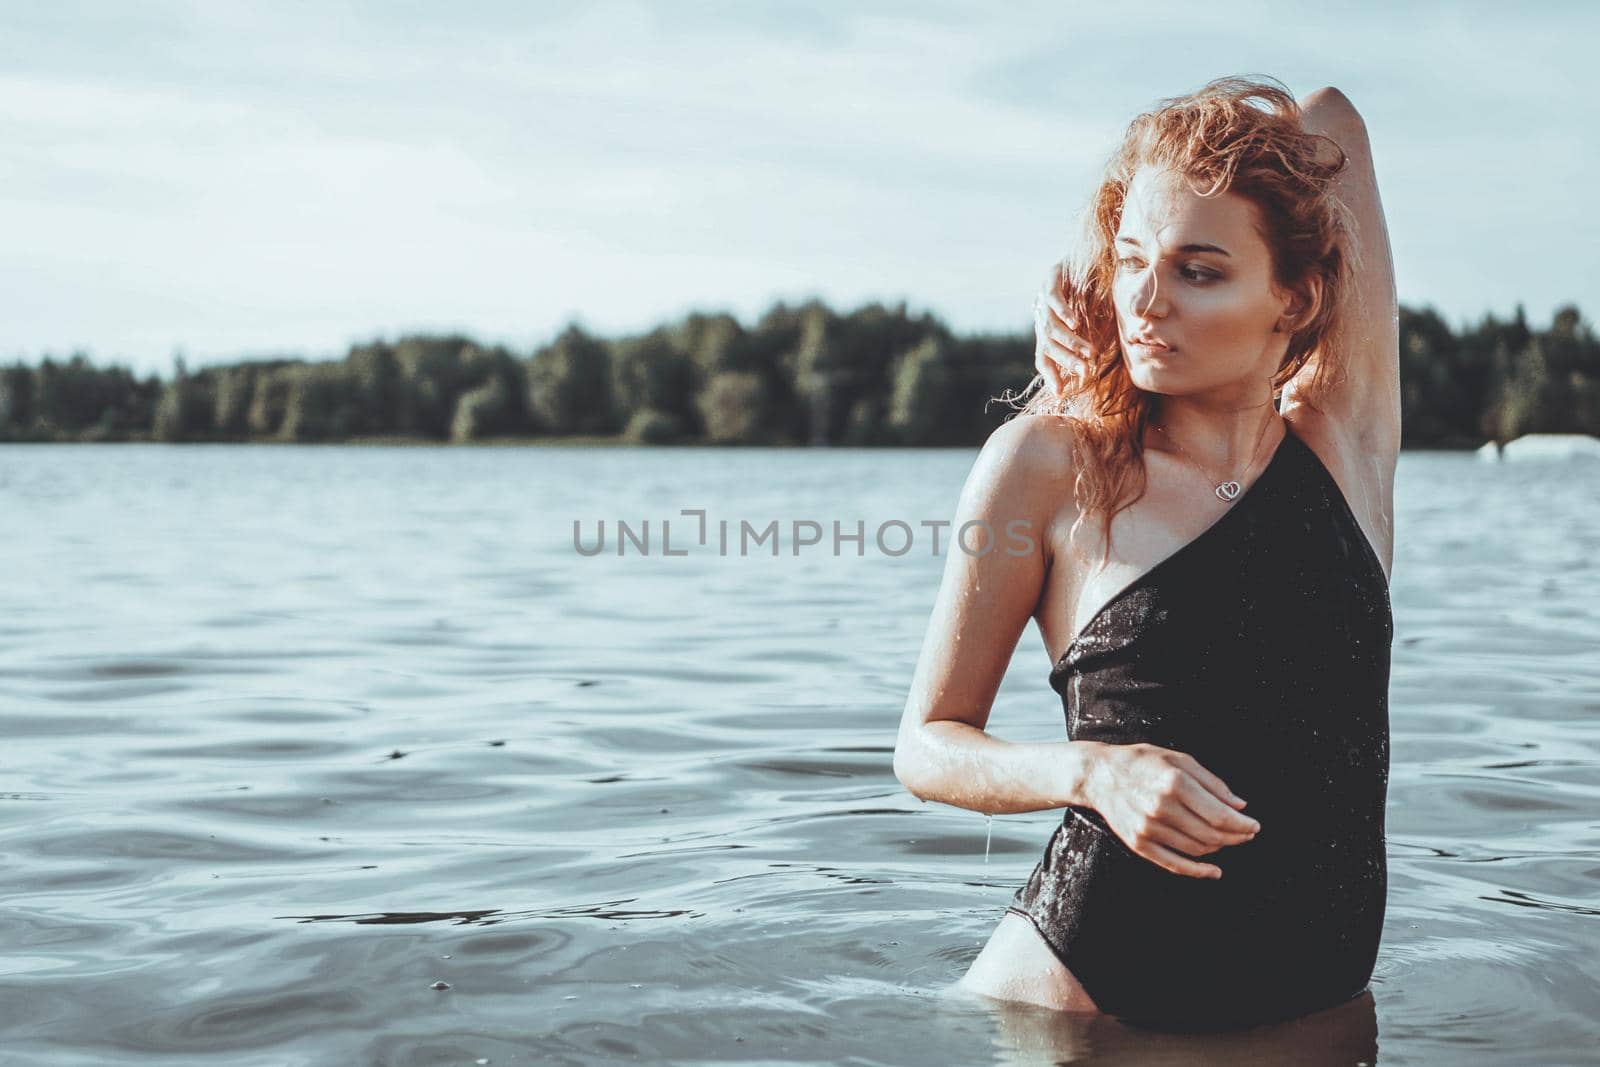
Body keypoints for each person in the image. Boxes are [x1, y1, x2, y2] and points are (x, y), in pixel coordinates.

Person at [893, 75, 1398, 1031]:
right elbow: (926, 745)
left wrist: (1206, 149)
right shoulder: (1050, 464)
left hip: (1315, 1022)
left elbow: (1335, 119)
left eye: (1198, 270)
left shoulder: (1347, 444)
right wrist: (1092, 772)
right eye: (1129, 264)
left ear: (1297, 297)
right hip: (1084, 1015)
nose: (1146, 303)